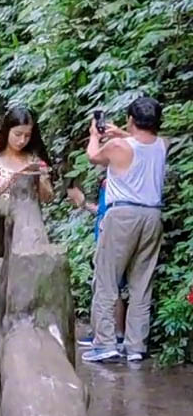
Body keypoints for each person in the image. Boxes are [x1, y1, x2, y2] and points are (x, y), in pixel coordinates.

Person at [82, 96, 168, 363]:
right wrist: (121, 132)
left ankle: (105, 342)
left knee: (107, 279)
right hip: (152, 215)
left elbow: (93, 156)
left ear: (131, 119)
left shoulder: (118, 146)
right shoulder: (163, 145)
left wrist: (94, 135)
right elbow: (144, 140)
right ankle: (136, 346)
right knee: (142, 283)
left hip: (123, 215)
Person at [67, 174, 126, 347]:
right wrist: (83, 203)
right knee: (110, 285)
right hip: (107, 233)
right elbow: (102, 210)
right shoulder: (110, 179)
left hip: (111, 235)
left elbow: (112, 211)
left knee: (109, 286)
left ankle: (113, 336)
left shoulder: (115, 180)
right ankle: (112, 334)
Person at [0, 106, 54, 203]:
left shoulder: (34, 161)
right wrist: (11, 179)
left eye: (27, 136)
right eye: (17, 134)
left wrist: (40, 177)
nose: (22, 140)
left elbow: (48, 199)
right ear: (7, 131)